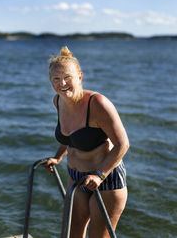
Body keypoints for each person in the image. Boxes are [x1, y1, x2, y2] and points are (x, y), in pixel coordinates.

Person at [44, 46, 129, 238]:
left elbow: (122, 144)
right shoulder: (58, 102)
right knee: (69, 234)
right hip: (76, 176)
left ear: (80, 77)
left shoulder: (97, 103)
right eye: (56, 79)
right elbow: (70, 137)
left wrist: (100, 175)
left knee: (97, 236)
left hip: (106, 180)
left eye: (67, 77)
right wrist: (57, 157)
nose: (62, 83)